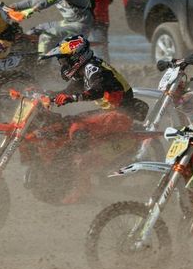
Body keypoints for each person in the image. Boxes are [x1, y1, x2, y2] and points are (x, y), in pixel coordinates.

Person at [41, 34, 147, 203]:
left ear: (76, 56)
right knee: (67, 122)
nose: (62, 65)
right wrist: (46, 95)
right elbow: (68, 91)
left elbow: (96, 90)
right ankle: (75, 169)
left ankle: (85, 184)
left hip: (121, 115)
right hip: (112, 113)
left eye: (64, 60)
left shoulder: (93, 67)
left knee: (78, 130)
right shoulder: (84, 70)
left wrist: (74, 98)